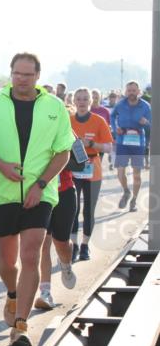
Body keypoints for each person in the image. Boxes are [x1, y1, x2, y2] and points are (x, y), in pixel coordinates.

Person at [0, 52, 74, 346]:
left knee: (30, 254)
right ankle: (12, 294)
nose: (21, 79)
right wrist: (1, 166)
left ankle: (22, 325)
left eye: (27, 74)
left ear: (38, 76)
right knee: (7, 261)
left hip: (39, 194)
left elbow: (63, 152)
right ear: (10, 73)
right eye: (17, 73)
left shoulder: (54, 107)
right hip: (2, 193)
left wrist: (40, 184)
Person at [69, 87, 113, 261]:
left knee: (88, 210)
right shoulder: (68, 121)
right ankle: (74, 246)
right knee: (73, 208)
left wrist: (92, 143)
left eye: (85, 99)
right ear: (74, 101)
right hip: (73, 166)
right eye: (78, 99)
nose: (82, 102)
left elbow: (109, 147)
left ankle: (85, 246)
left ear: (91, 101)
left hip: (92, 167)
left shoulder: (99, 121)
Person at [36, 162, 79, 310]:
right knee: (43, 244)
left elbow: (80, 162)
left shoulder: (68, 137)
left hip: (64, 192)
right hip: (40, 194)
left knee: (62, 243)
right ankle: (45, 292)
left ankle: (65, 265)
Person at [110, 80, 152, 212]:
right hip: (123, 140)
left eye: (134, 90)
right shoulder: (120, 104)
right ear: (125, 92)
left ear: (138, 92)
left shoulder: (145, 106)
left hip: (138, 141)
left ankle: (134, 200)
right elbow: (112, 116)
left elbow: (151, 124)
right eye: (129, 91)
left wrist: (146, 123)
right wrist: (116, 128)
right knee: (121, 171)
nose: (131, 93)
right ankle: (126, 191)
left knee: (137, 174)